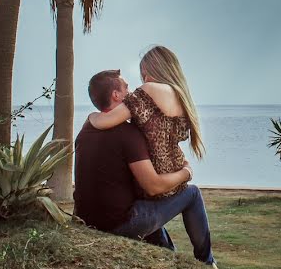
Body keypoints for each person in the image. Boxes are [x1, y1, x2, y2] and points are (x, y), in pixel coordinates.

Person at [74, 69, 217, 268]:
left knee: (144, 204)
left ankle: (168, 255)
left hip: (88, 221)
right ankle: (207, 263)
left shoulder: (86, 129)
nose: (131, 93)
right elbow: (154, 186)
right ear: (116, 95)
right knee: (192, 194)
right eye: (126, 88)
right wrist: (186, 173)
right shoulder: (128, 134)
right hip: (117, 225)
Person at [87, 45, 205, 200]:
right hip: (174, 178)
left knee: (193, 194)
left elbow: (104, 121)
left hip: (156, 183)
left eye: (145, 74)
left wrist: (92, 116)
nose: (144, 79)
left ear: (157, 70)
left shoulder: (150, 89)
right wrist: (186, 171)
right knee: (193, 194)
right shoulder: (182, 97)